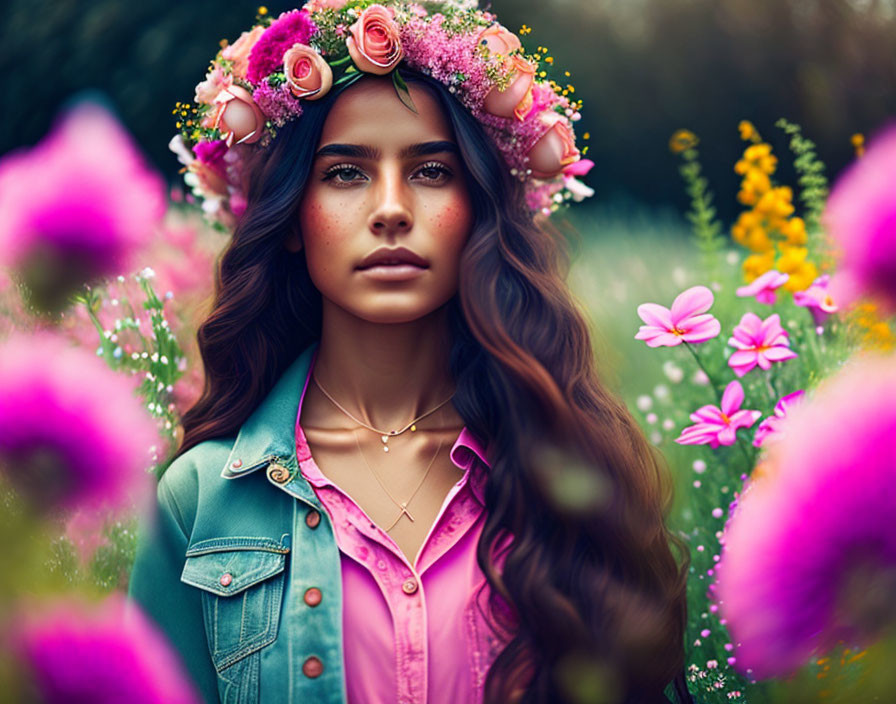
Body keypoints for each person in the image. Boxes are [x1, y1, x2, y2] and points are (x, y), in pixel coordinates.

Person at [128, 3, 693, 703]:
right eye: (344, 174)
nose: (391, 208)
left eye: (430, 170)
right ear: (292, 219)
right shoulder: (198, 502)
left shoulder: (575, 471)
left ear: (478, 209)